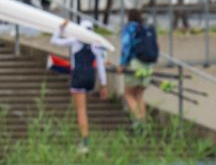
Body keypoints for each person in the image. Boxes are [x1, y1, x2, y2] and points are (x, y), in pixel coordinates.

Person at [50, 19, 108, 151]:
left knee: (81, 110)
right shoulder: (96, 45)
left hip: (78, 76)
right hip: (90, 78)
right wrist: (104, 85)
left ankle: (85, 142)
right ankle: (82, 136)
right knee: (81, 108)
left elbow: (54, 41)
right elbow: (100, 66)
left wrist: (61, 28)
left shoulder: (74, 40)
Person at [118, 8, 154, 128]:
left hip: (135, 64)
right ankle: (143, 122)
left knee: (128, 94)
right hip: (148, 65)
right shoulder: (145, 28)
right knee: (139, 94)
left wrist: (122, 64)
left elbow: (126, 46)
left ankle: (138, 121)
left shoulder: (131, 28)